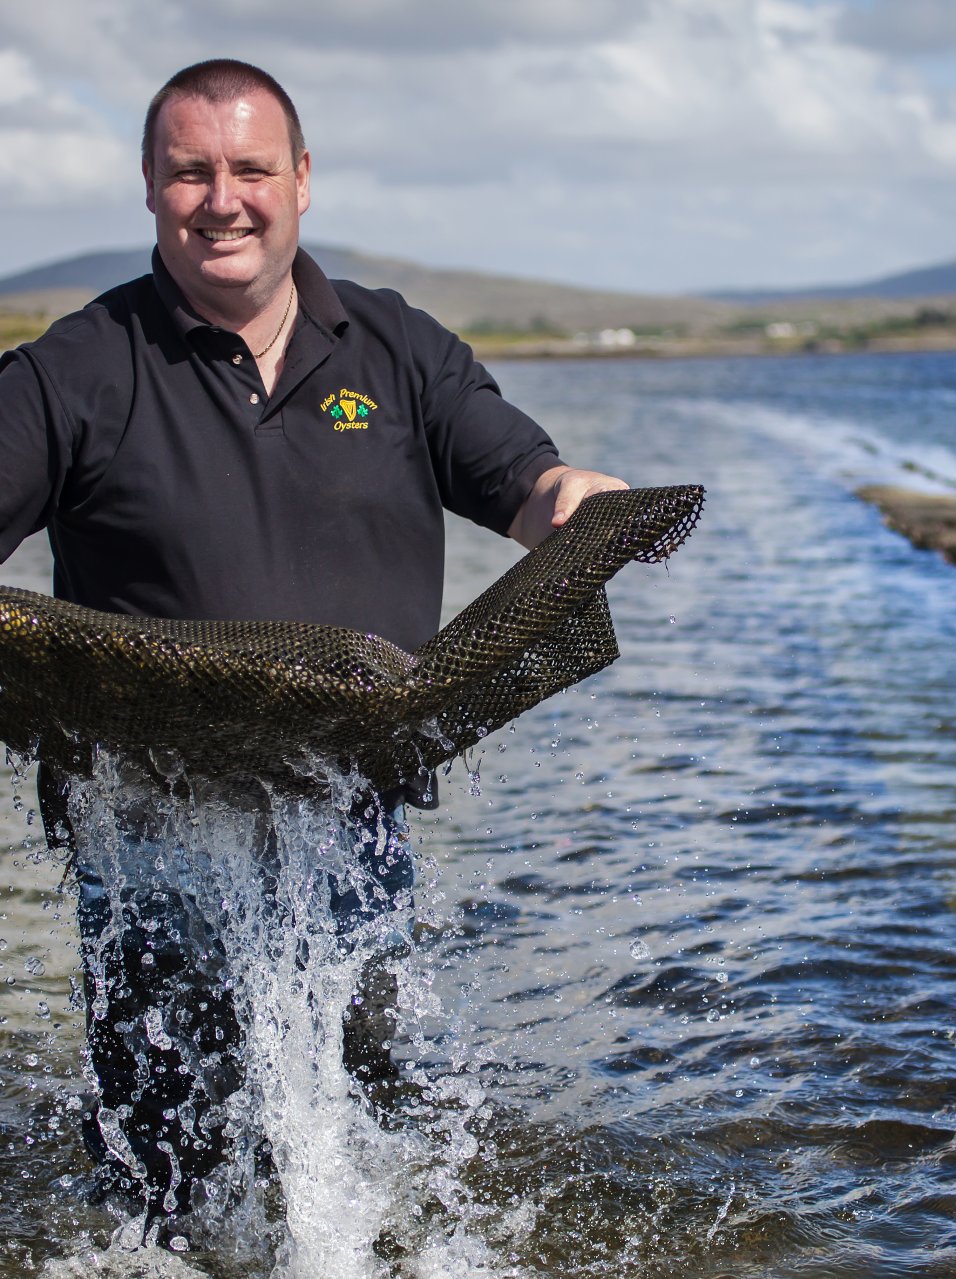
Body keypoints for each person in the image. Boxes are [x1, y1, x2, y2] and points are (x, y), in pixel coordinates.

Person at [0, 59, 627, 1227]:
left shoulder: (396, 347)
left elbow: (525, 481)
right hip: (154, 835)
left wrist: (571, 499)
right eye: (189, 172)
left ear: (300, 179)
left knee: (365, 1138)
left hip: (351, 816)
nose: (221, 200)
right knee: (167, 1163)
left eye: (249, 169)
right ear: (149, 185)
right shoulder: (72, 370)